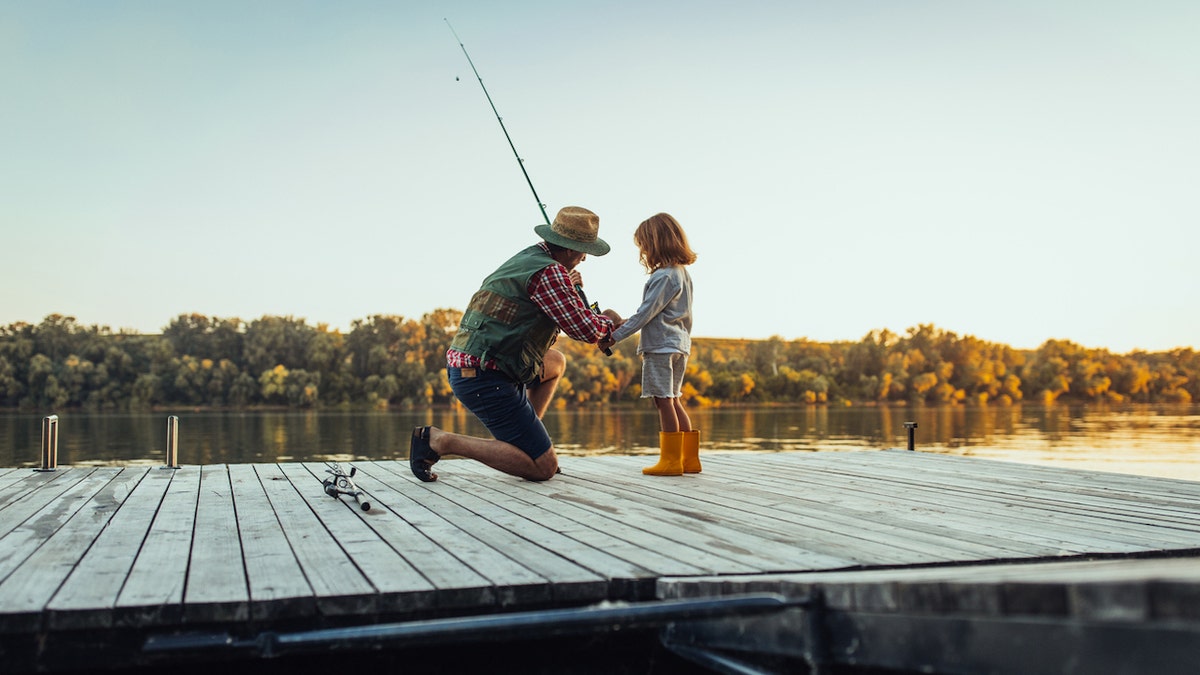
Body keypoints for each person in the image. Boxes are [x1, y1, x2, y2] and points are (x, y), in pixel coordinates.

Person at [409, 206, 621, 482]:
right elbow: (584, 329)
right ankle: (439, 441)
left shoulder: (530, 258)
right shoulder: (550, 273)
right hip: (484, 377)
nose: (584, 258)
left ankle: (531, 441)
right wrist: (609, 321)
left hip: (481, 365)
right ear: (570, 249)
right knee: (543, 469)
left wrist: (570, 289)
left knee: (555, 362)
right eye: (584, 252)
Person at [598, 213, 698, 476]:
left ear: (656, 243)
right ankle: (689, 460)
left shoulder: (664, 276)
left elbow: (645, 314)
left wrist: (614, 337)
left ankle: (670, 461)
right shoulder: (681, 275)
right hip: (678, 345)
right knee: (674, 400)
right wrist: (624, 322)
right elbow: (657, 313)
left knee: (663, 401)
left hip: (661, 348)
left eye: (644, 244)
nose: (642, 250)